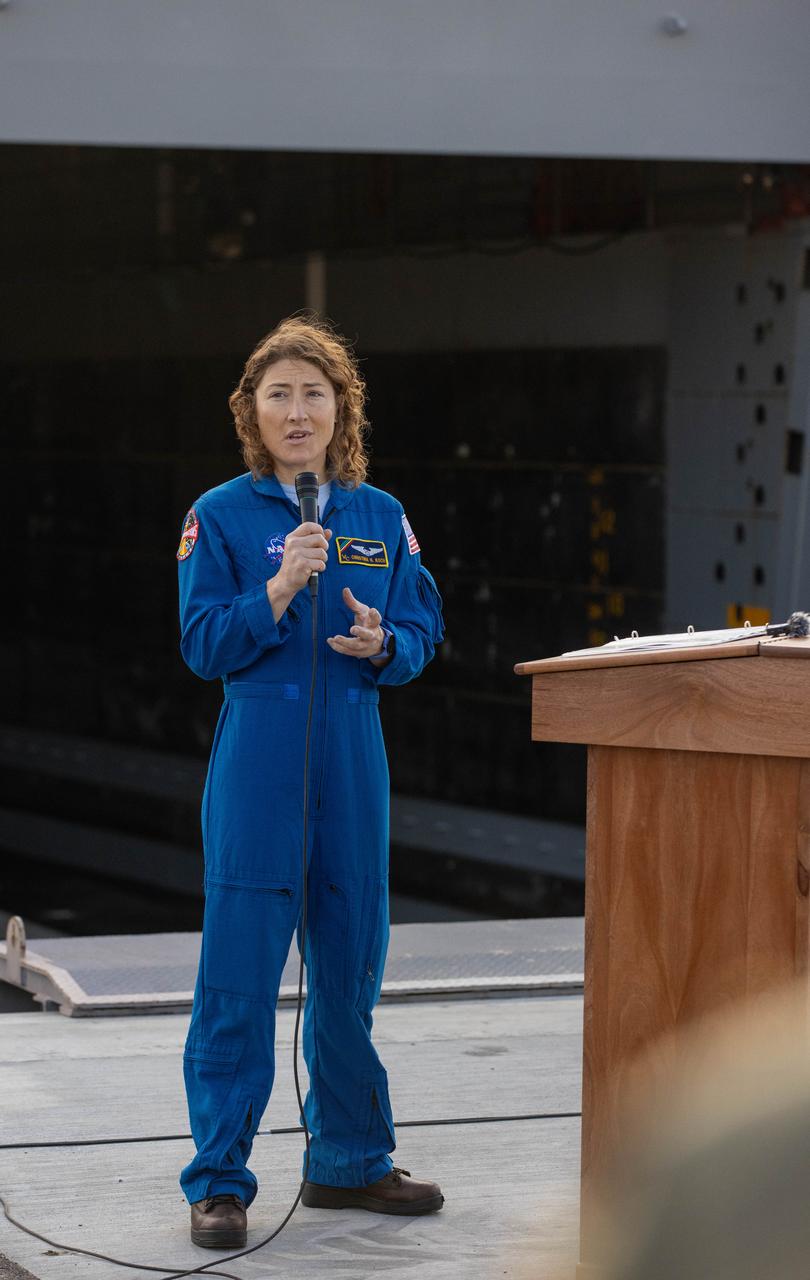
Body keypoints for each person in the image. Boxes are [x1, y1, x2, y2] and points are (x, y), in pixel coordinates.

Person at [176, 314, 445, 1249]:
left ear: (342, 411)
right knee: (239, 973)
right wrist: (279, 589)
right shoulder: (218, 515)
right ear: (252, 411)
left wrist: (386, 645)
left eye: (315, 393)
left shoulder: (379, 515)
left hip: (351, 750)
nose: (297, 410)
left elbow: (422, 634)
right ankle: (219, 1182)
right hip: (258, 751)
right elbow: (204, 642)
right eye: (279, 393)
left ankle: (348, 1161)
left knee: (350, 958)